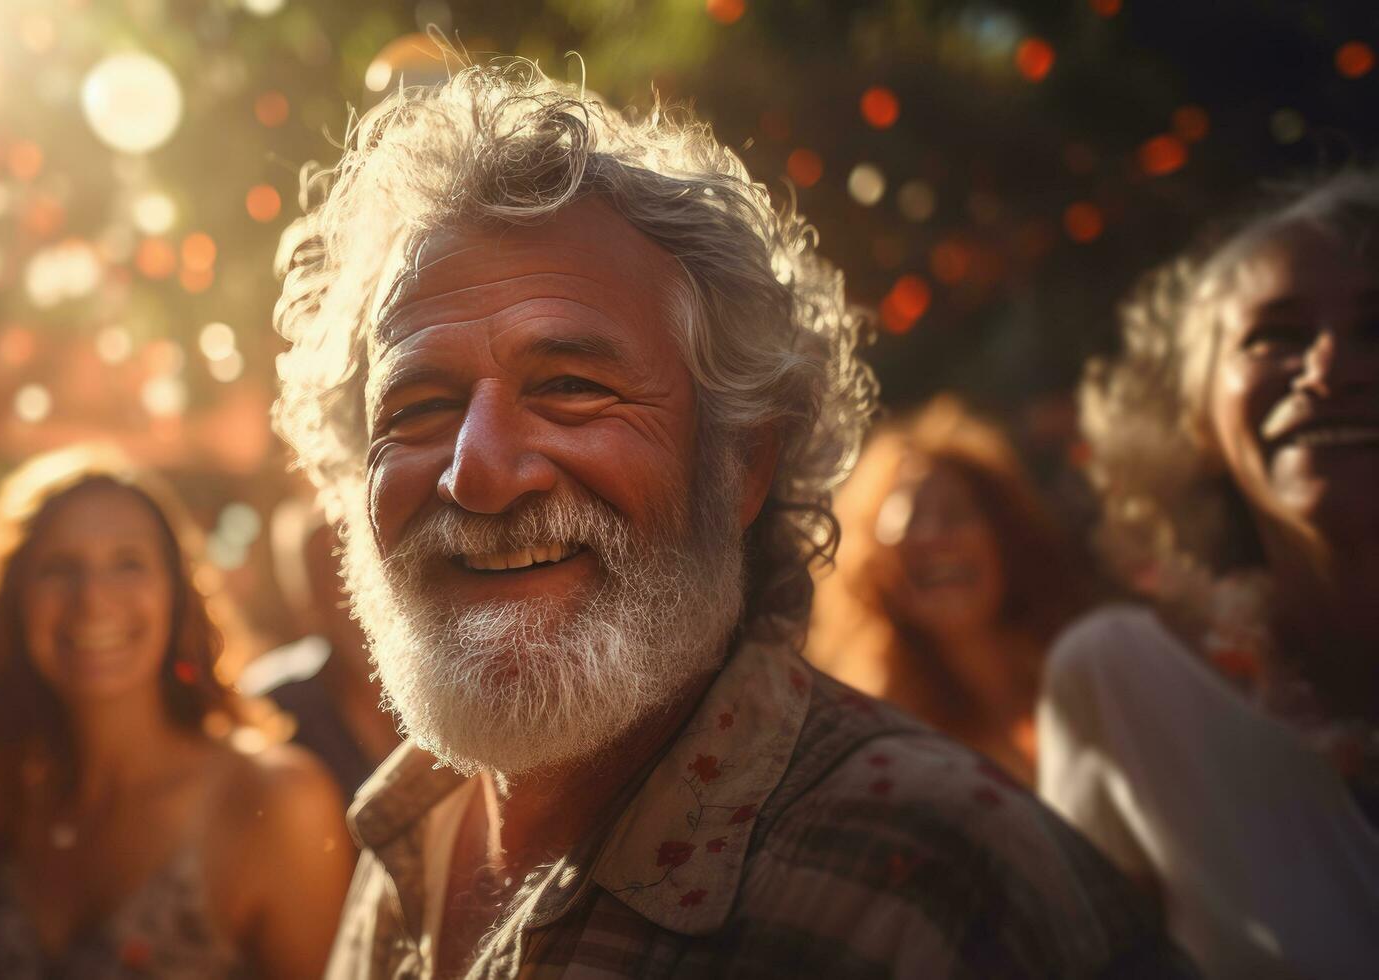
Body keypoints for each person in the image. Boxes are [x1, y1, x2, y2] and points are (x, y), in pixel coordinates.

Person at [272, 60, 1191, 978]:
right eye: (416, 409)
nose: (477, 471)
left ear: (742, 464)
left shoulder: (942, 879)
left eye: (569, 388)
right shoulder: (412, 835)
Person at [1039, 171, 1379, 979]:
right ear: (1196, 410)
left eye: (1378, 327)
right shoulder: (1125, 687)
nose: (1329, 368)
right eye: (1274, 336)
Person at [0, 444, 353, 979]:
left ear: (177, 595)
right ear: (12, 601)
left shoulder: (276, 801)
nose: (93, 599)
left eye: (128, 563)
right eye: (58, 568)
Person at [808, 396, 1092, 784]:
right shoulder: (888, 751)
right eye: (911, 519)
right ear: (872, 565)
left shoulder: (1089, 667)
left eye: (957, 513)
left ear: (1005, 535)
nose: (936, 538)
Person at [240, 498, 401, 795]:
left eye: (350, 568)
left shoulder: (444, 680)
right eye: (325, 576)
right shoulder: (274, 705)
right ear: (302, 600)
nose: (348, 596)